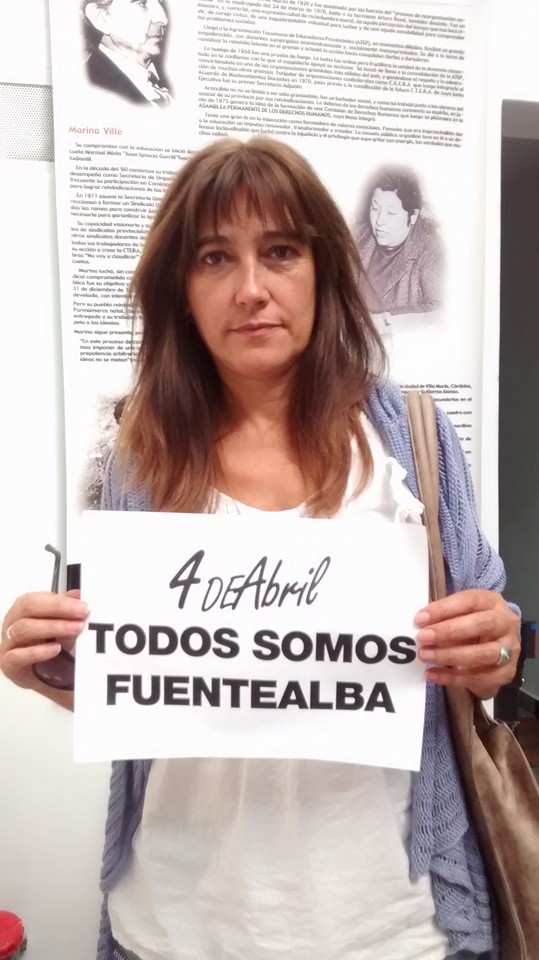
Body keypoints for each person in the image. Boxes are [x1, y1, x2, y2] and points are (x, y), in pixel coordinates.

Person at [0, 137, 520, 960]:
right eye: (215, 257)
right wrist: (51, 670)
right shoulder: (131, 458)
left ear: (322, 269)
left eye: (279, 251)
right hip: (178, 926)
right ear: (180, 288)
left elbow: (490, 660)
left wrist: (495, 647)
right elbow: (140, 685)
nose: (250, 289)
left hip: (388, 927)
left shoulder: (412, 440)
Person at [354, 167, 444, 318]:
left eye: (391, 213)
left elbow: (440, 310)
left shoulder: (432, 254)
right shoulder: (358, 235)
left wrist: (387, 319)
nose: (379, 221)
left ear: (412, 216)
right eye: (375, 208)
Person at [81, 0, 172, 107]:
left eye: (161, 2)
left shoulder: (174, 74)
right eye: (142, 3)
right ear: (102, 18)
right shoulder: (87, 94)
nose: (163, 19)